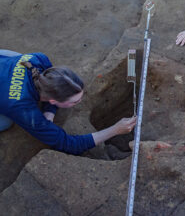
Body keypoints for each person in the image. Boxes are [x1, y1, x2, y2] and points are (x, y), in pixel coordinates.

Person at [0, 50, 136, 155]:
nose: (80, 101)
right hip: (9, 95)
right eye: (75, 101)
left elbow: (50, 100)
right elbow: (68, 144)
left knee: (20, 58)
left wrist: (49, 111)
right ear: (53, 100)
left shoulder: (38, 59)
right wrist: (115, 129)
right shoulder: (23, 108)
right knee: (6, 123)